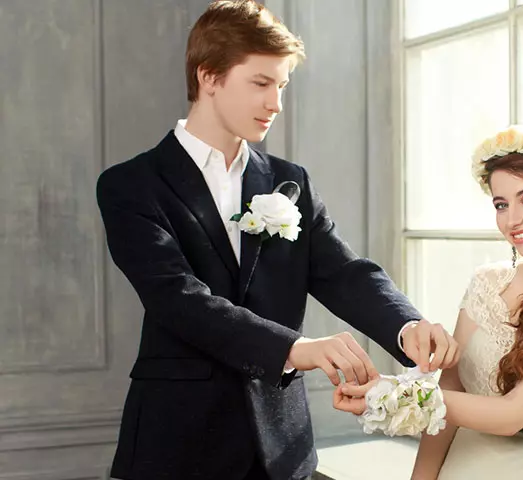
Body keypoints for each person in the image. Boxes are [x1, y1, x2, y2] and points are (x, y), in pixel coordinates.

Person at [96, 2, 459, 479]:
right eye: (261, 83)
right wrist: (297, 347)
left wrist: (405, 325)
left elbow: (343, 273)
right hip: (177, 440)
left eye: (282, 86)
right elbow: (177, 299)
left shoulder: (290, 181)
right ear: (209, 77)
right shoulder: (131, 184)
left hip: (281, 446)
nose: (276, 103)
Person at [334, 126, 523, 480]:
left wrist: (391, 393)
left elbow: (510, 416)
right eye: (501, 205)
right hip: (459, 466)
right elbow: (450, 389)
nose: (512, 219)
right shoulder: (486, 283)